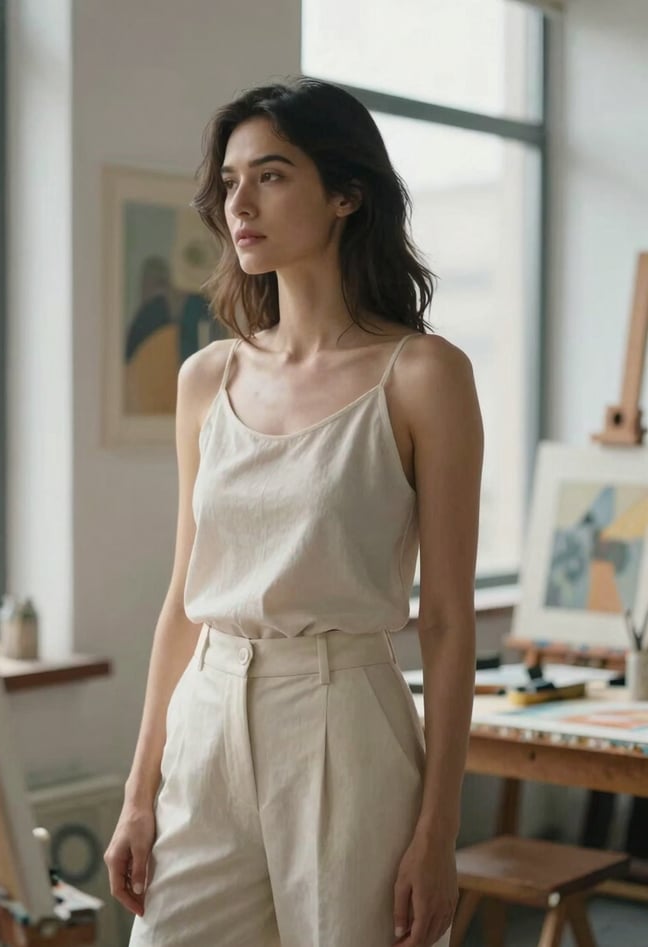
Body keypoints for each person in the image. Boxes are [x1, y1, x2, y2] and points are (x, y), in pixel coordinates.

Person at [104, 76, 483, 947]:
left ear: (347, 194)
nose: (240, 202)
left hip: (344, 720)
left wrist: (438, 830)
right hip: (208, 717)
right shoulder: (207, 376)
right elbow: (181, 600)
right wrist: (139, 793)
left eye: (271, 176)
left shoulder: (424, 375)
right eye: (230, 181)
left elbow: (450, 620)